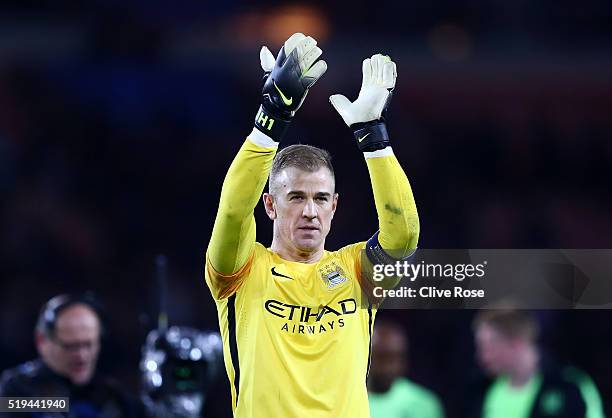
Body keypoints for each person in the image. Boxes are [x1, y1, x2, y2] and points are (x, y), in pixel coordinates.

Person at [203, 32, 419, 418]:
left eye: (320, 199)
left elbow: (402, 238)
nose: (310, 211)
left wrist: (374, 137)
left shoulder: (356, 270)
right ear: (269, 205)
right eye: (296, 197)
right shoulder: (241, 270)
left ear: (334, 207)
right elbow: (234, 212)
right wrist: (271, 118)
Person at [0, 294, 143, 417]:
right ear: (41, 341)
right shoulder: (18, 388)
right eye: (70, 346)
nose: (82, 356)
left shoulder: (115, 399)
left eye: (88, 344)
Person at [467, 308, 605, 418]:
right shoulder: (484, 389)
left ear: (516, 345)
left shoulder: (570, 385)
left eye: (488, 348)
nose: (482, 357)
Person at [368, 320, 445, 418]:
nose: (390, 367)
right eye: (382, 358)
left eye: (397, 358)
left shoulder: (422, 403)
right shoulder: (349, 399)